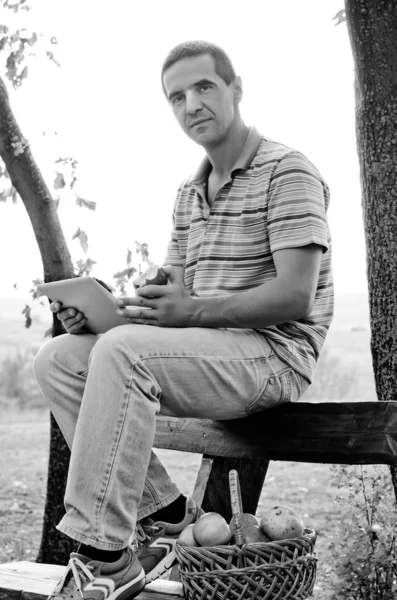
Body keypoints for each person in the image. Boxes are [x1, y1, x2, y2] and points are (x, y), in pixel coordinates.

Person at [34, 40, 334, 600]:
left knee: (124, 351)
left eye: (204, 88)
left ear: (235, 89)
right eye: (176, 97)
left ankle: (102, 558)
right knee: (59, 359)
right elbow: (171, 300)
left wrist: (185, 312)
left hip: (274, 356)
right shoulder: (188, 194)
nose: (191, 104)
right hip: (208, 350)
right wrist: (101, 316)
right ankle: (167, 511)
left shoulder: (288, 172)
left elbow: (296, 296)